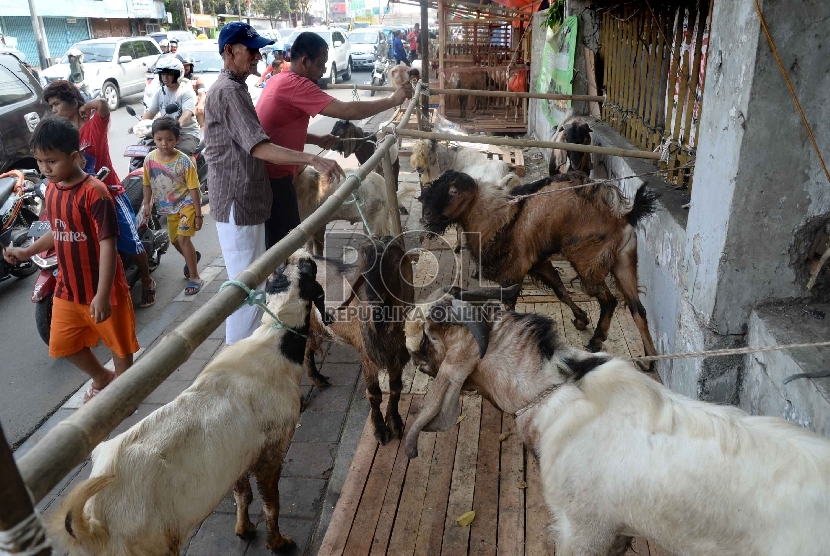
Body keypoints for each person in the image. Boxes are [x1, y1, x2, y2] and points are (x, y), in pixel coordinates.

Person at [204, 21, 344, 345]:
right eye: (251, 51)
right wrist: (310, 158)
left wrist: (312, 141)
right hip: (238, 202)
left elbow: (260, 136)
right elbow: (259, 146)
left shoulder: (237, 88)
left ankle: (254, 354)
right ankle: (235, 368)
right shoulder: (227, 91)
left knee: (258, 282)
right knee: (245, 291)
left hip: (249, 199)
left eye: (257, 50)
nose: (257, 56)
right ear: (230, 51)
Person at [3, 118, 139, 402]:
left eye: (51, 161)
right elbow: (59, 229)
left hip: (104, 291)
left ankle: (127, 401)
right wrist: (27, 251)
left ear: (75, 157)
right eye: (39, 162)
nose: (44, 169)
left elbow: (108, 245)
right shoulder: (52, 189)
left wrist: (102, 295)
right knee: (63, 345)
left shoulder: (95, 193)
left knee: (121, 349)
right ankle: (103, 377)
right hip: (68, 289)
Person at [255, 31, 413, 250]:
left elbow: (277, 130)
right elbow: (348, 109)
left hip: (276, 174)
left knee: (287, 242)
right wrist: (392, 100)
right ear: (305, 61)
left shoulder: (279, 79)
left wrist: (314, 138)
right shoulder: (297, 84)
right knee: (285, 249)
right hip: (276, 178)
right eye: (320, 65)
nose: (322, 72)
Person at [43, 80, 156, 308]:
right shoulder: (62, 135)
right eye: (51, 106)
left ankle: (146, 280)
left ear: (73, 102)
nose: (53, 109)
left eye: (56, 104)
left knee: (129, 240)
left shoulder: (93, 126)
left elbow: (103, 106)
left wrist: (87, 106)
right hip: (79, 198)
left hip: (110, 192)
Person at [141, 118, 203, 296]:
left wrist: (198, 215)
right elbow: (146, 183)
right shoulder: (149, 160)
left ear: (177, 139)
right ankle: (191, 257)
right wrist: (147, 203)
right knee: (176, 241)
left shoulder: (184, 162)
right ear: (153, 138)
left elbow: (193, 189)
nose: (164, 144)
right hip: (169, 208)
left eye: (169, 139)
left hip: (187, 206)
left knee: (183, 240)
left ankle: (195, 277)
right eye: (159, 139)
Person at [134, 57, 200, 155]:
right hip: (165, 132)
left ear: (178, 74)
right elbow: (151, 112)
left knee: (183, 153)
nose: (165, 77)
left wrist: (178, 124)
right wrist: (138, 125)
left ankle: (192, 169)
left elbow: (187, 113)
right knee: (145, 149)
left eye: (169, 74)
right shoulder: (160, 93)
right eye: (163, 74)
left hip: (186, 132)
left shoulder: (186, 92)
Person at [177, 53, 207, 128]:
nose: (185, 67)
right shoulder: (173, 81)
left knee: (199, 111)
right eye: (183, 65)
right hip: (177, 106)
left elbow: (202, 94)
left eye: (187, 65)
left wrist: (200, 105)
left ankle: (203, 133)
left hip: (193, 106)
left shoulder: (196, 79)